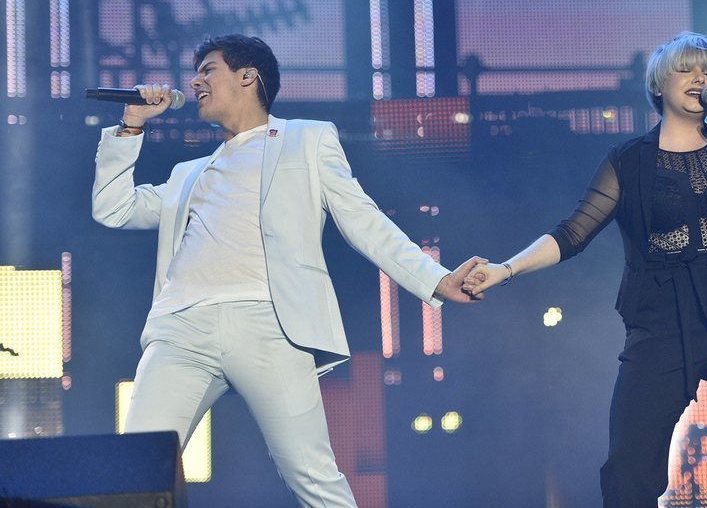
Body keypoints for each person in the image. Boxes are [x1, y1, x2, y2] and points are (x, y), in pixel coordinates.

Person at [92, 34, 482, 507]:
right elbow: (113, 209)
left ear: (247, 76)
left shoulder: (307, 139)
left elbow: (363, 219)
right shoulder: (187, 174)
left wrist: (435, 278)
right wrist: (132, 124)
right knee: (135, 475)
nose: (194, 81)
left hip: (272, 326)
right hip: (180, 331)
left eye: (207, 69)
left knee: (315, 479)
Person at [463, 32, 707, 507]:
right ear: (660, 84)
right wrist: (506, 268)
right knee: (628, 468)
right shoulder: (629, 161)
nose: (700, 79)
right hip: (661, 322)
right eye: (687, 70)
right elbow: (572, 233)